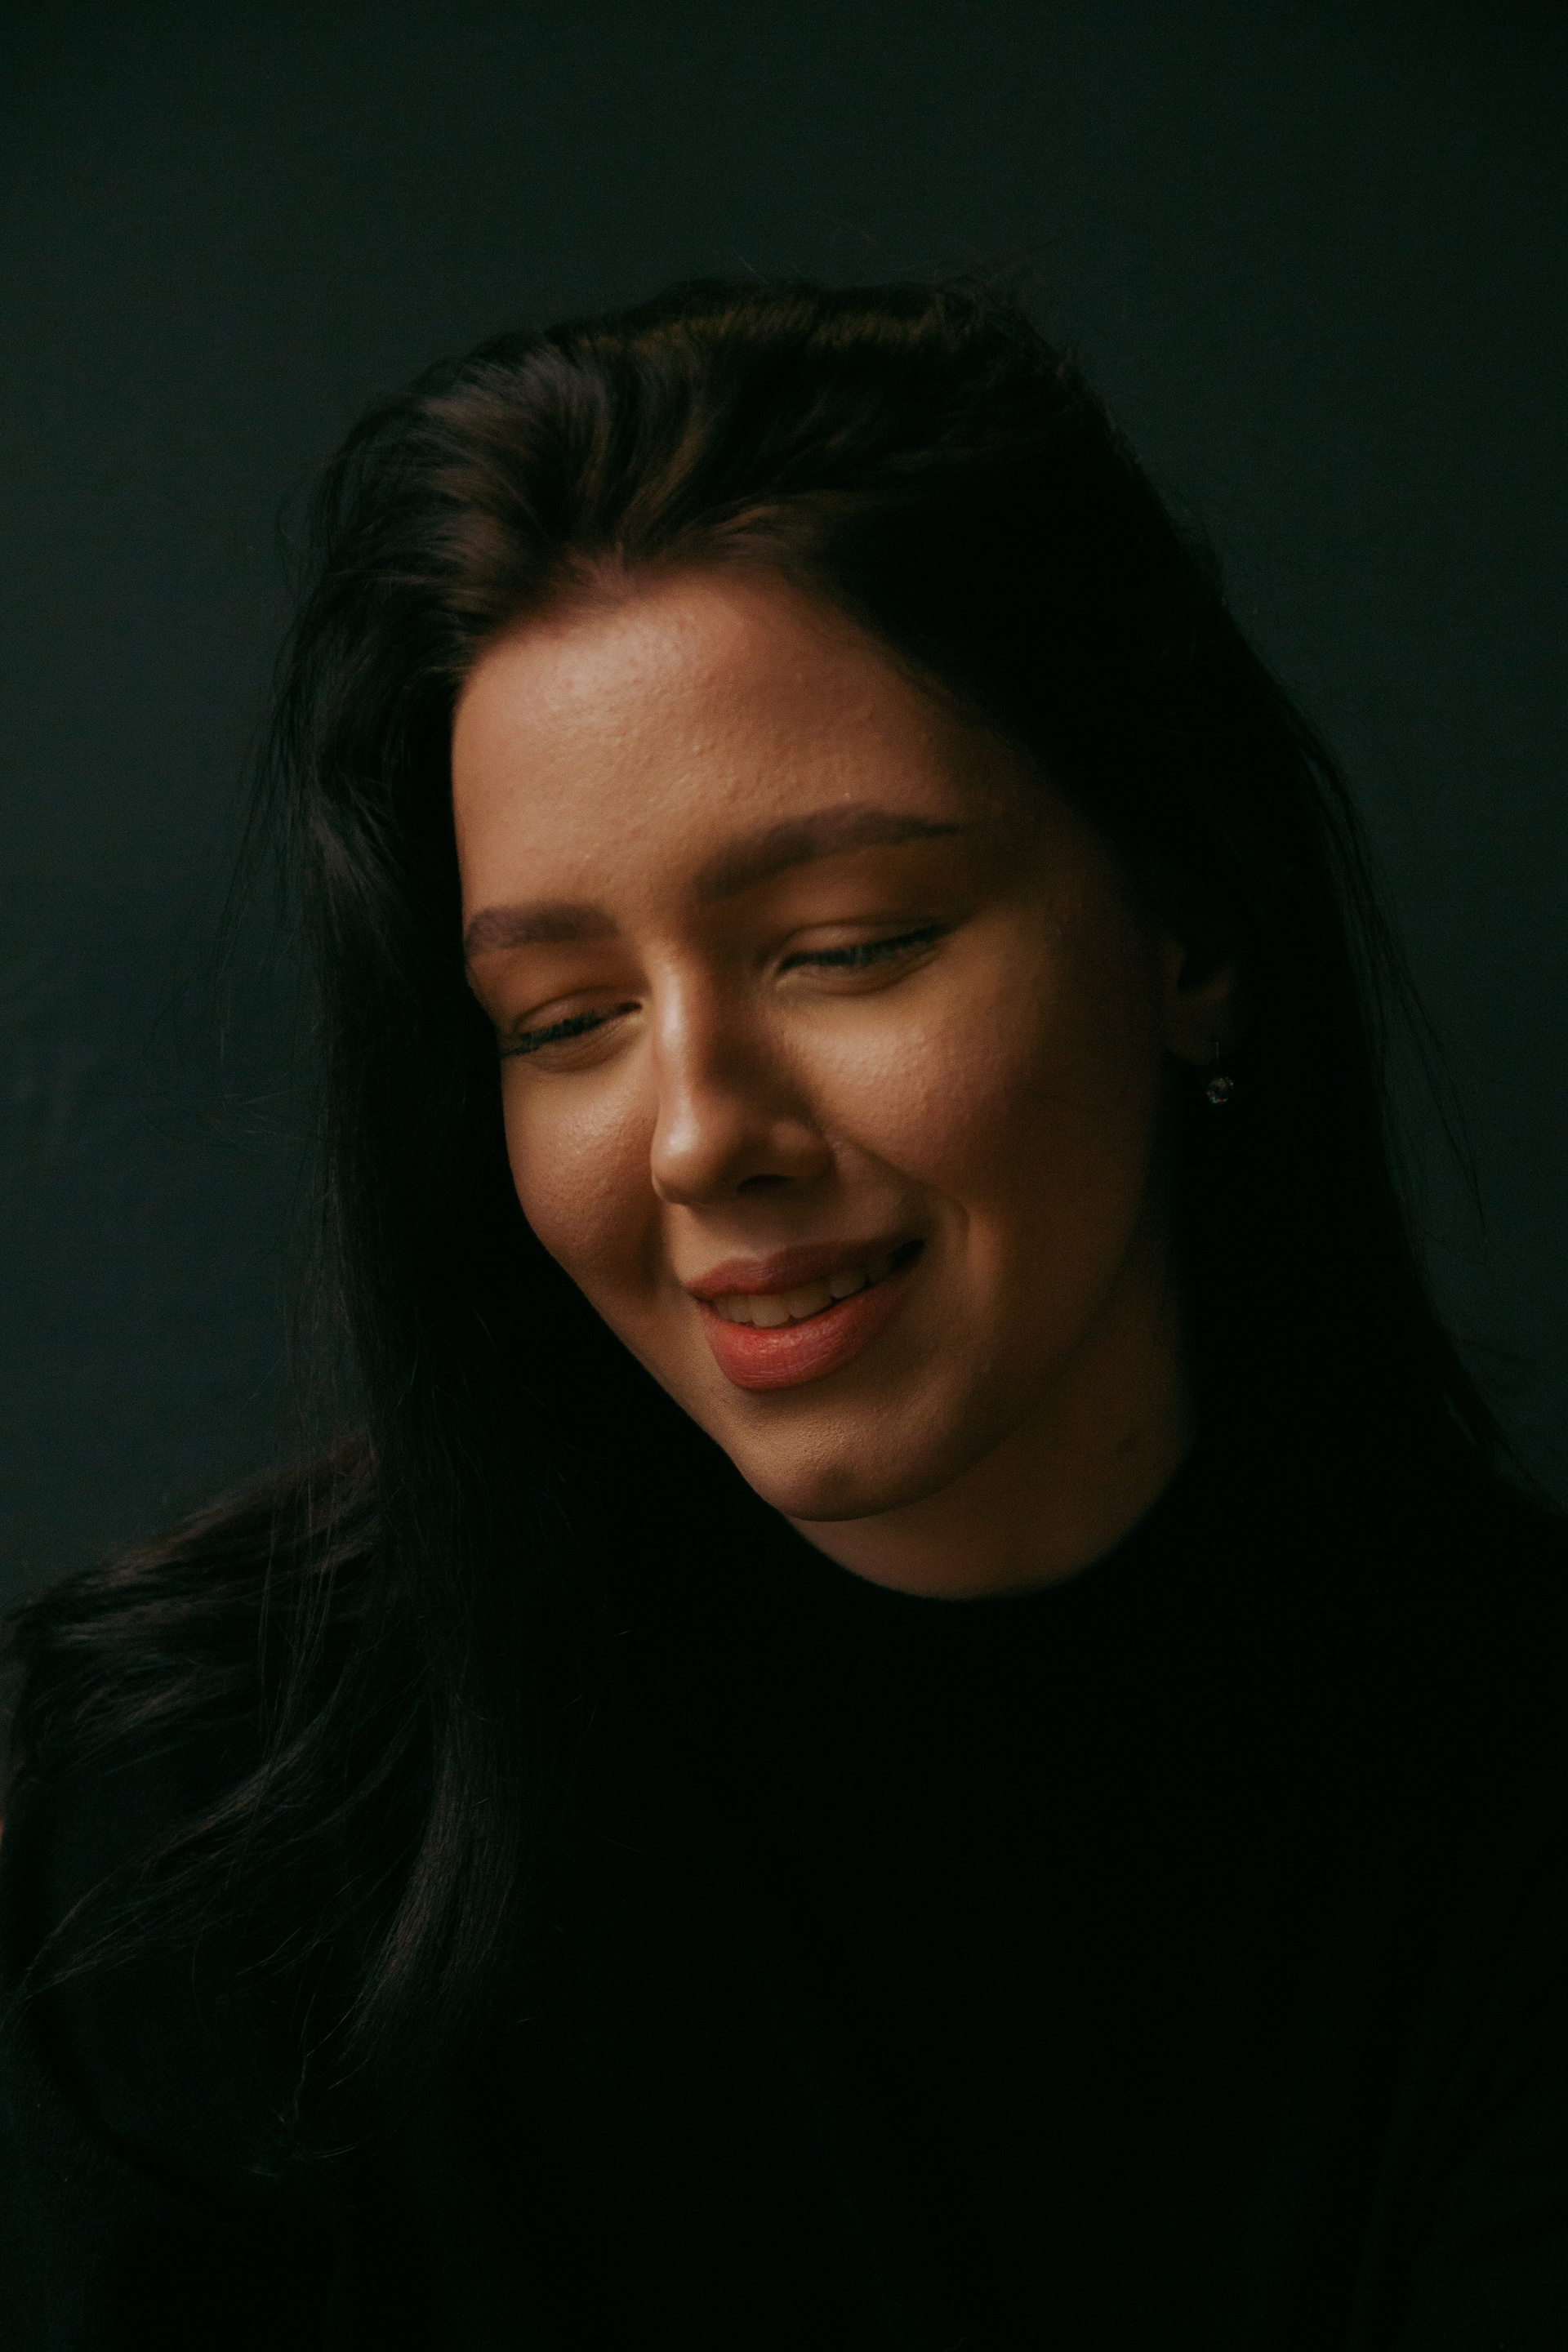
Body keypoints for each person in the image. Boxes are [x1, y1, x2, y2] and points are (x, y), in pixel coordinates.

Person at [2, 277, 1565, 2350]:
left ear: (1187, 932)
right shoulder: (187, 1823)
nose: (696, 1136)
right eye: (567, 1018)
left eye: (843, 946)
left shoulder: (1515, 1810)